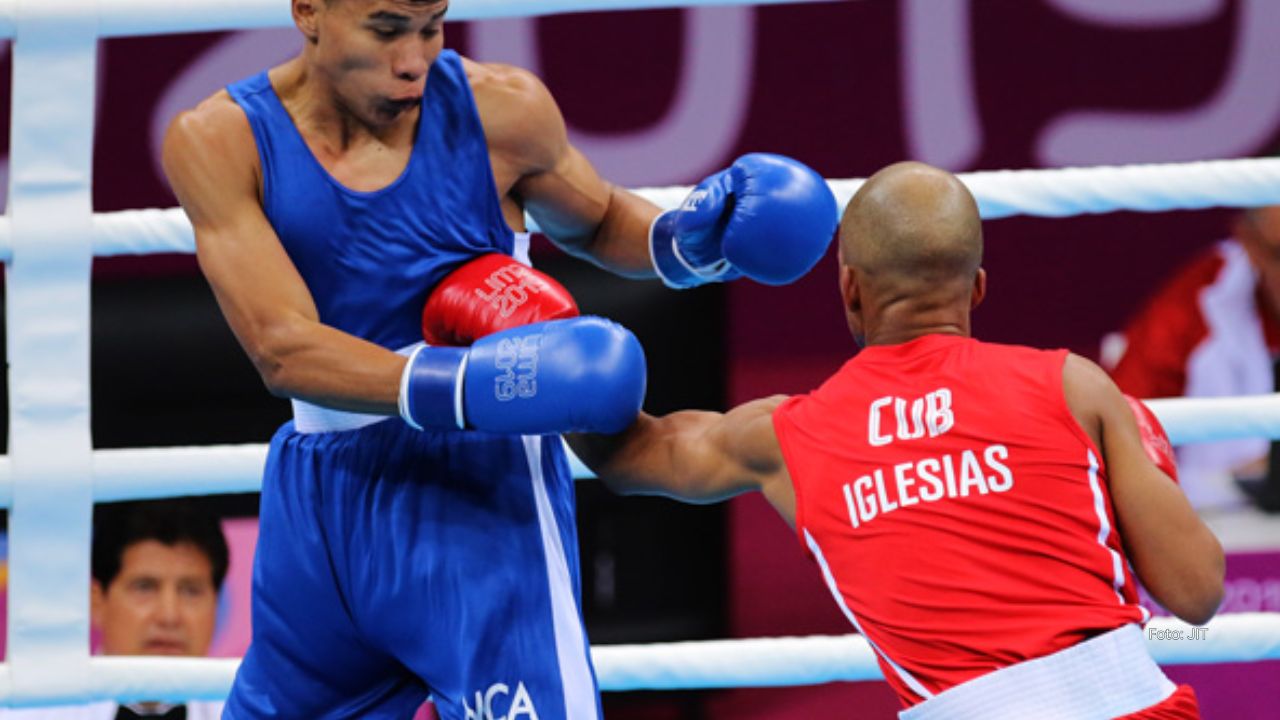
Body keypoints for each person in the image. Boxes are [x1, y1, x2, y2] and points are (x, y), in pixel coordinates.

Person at [160, 0, 839, 717]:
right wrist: (466, 383)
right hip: (322, 504)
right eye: (388, 30)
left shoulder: (500, 110)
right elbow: (281, 347)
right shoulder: (221, 140)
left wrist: (687, 245)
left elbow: (600, 218)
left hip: (483, 491)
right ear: (309, 12)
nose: (414, 59)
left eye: (432, 27)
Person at [574, 161, 1225, 718]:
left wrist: (539, 348)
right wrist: (1147, 464)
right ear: (977, 288)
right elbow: (1196, 594)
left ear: (850, 290)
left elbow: (634, 456)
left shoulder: (785, 435)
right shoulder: (1075, 387)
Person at [1104, 203, 1280, 511]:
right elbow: (1117, 434)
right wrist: (1236, 478)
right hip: (1233, 530)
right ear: (1249, 242)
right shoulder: (1198, 303)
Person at [0, 500, 230, 719]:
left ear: (216, 603)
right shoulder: (22, 713)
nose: (169, 616)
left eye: (191, 591)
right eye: (145, 587)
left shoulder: (254, 714)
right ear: (97, 602)